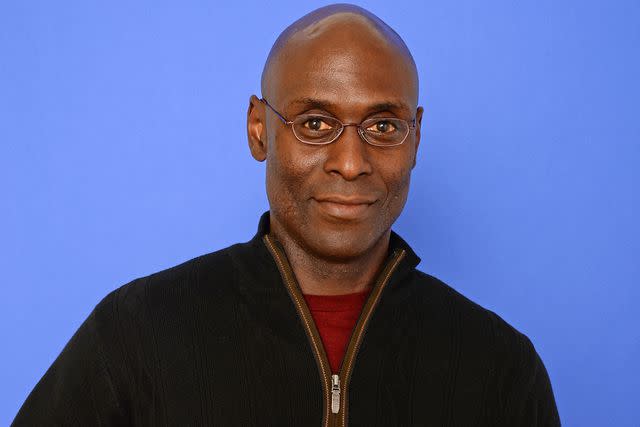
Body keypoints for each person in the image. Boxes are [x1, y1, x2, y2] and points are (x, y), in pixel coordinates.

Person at [12, 4, 560, 426]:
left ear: (416, 138)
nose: (351, 163)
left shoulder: (501, 367)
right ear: (259, 129)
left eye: (383, 126)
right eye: (316, 124)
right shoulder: (134, 335)